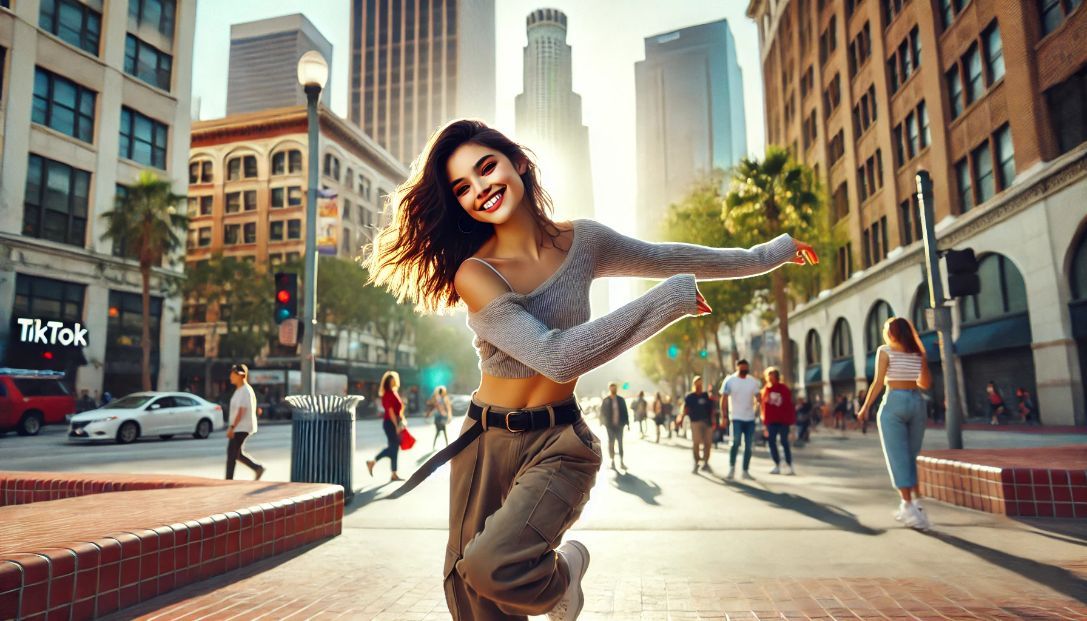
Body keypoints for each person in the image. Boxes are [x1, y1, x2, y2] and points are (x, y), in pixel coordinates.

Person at [364, 119, 816, 620]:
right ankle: (555, 589)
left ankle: (563, 578)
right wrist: (668, 302)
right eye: (462, 188)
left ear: (517, 162)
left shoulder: (585, 241)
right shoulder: (476, 272)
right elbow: (557, 354)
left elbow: (668, 257)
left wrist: (768, 254)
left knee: (492, 566)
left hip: (560, 441)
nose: (480, 190)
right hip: (485, 441)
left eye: (486, 168)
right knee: (469, 592)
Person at [857, 317, 933, 531]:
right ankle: (916, 505)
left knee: (897, 457)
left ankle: (908, 506)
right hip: (917, 402)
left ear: (891, 333)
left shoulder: (885, 351)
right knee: (911, 455)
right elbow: (925, 384)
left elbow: (878, 382)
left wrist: (865, 408)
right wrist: (922, 359)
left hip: (894, 403)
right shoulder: (918, 352)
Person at [721, 359, 763, 481]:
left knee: (749, 446)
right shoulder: (730, 381)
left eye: (746, 368)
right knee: (735, 442)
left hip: (750, 418)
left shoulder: (752, 382)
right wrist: (723, 416)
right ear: (737, 368)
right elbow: (723, 398)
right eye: (742, 368)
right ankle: (732, 468)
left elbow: (758, 397)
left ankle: (745, 471)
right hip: (736, 417)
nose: (744, 370)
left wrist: (758, 408)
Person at [225, 364, 265, 481]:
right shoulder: (240, 390)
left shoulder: (245, 391)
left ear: (240, 375)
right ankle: (258, 468)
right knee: (236, 454)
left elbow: (241, 411)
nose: (230, 377)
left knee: (232, 453)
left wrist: (232, 427)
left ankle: (228, 481)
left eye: (233, 374)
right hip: (240, 426)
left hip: (241, 427)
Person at [366, 371, 406, 482]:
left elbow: (398, 410)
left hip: (393, 422)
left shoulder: (394, 392)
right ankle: (372, 462)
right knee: (393, 448)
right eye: (391, 381)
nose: (393, 382)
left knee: (394, 448)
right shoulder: (388, 394)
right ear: (388, 383)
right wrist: (396, 425)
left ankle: (394, 474)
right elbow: (391, 411)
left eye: (394, 380)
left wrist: (401, 421)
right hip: (390, 423)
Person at [761, 367, 796, 475]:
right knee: (771, 442)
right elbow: (763, 408)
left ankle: (789, 465)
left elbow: (789, 405)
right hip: (771, 421)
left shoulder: (784, 389)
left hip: (783, 421)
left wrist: (791, 422)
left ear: (777, 376)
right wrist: (764, 424)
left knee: (784, 442)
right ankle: (776, 464)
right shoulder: (765, 390)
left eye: (772, 376)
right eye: (768, 376)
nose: (770, 378)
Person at [677, 376, 715, 473]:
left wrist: (714, 421)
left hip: (707, 422)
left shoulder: (706, 396)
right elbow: (685, 409)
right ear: (694, 385)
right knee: (696, 442)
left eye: (700, 384)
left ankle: (706, 462)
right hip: (695, 422)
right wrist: (681, 419)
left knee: (708, 443)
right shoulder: (690, 397)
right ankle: (696, 461)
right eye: (697, 384)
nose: (699, 386)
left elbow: (712, 409)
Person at [600, 382, 630, 470]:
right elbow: (602, 412)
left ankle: (621, 462)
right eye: (611, 388)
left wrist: (627, 423)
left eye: (614, 388)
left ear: (616, 389)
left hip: (620, 426)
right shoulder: (606, 400)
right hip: (610, 426)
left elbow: (625, 412)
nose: (613, 389)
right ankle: (612, 461)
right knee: (611, 443)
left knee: (620, 444)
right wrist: (602, 423)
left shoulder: (621, 400)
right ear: (609, 389)